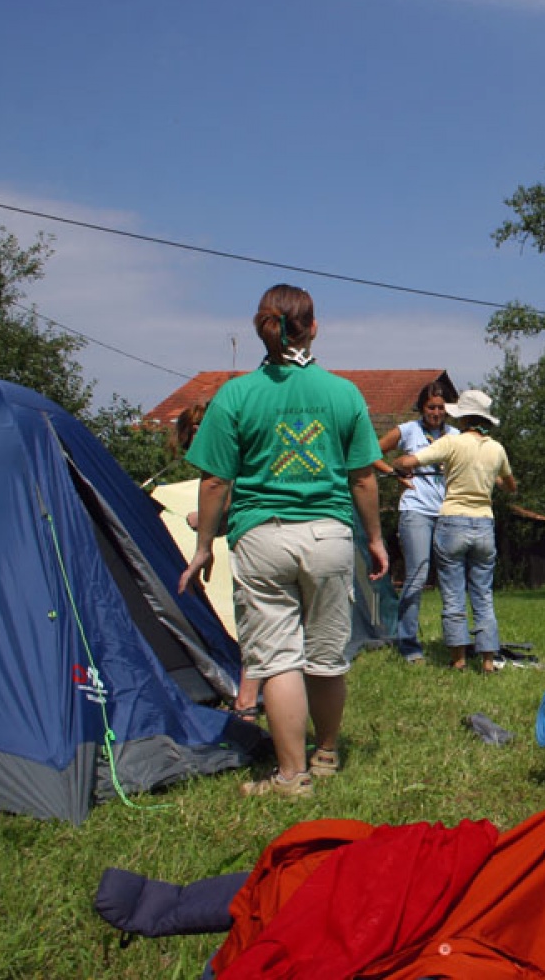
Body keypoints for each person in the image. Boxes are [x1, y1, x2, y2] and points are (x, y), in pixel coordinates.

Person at [178, 284, 388, 798]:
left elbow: (213, 482)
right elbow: (363, 478)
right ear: (313, 327)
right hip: (330, 536)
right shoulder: (342, 394)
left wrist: (204, 546)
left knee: (277, 659)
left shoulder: (236, 395)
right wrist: (377, 539)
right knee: (326, 654)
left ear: (265, 328)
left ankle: (291, 777)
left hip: (262, 537)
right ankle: (327, 754)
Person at [393, 389, 516, 674]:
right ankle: (487, 661)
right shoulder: (496, 449)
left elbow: (408, 461)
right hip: (484, 524)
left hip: (453, 522)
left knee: (453, 593)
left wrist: (400, 467)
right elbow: (511, 485)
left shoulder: (451, 442)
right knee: (483, 593)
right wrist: (491, 478)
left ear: (463, 418)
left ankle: (459, 659)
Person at [173, 403, 262, 724]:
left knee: (254, 624)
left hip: (252, 543)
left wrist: (204, 528)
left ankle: (247, 702)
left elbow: (221, 490)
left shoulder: (224, 458)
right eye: (194, 430)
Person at [374, 383, 456, 664]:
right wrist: (393, 473)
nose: (436, 412)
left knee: (450, 577)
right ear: (422, 407)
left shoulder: (454, 435)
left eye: (441, 407)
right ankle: (408, 642)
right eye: (431, 407)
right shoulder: (408, 431)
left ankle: (454, 641)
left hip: (447, 510)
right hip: (416, 509)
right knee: (418, 575)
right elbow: (372, 451)